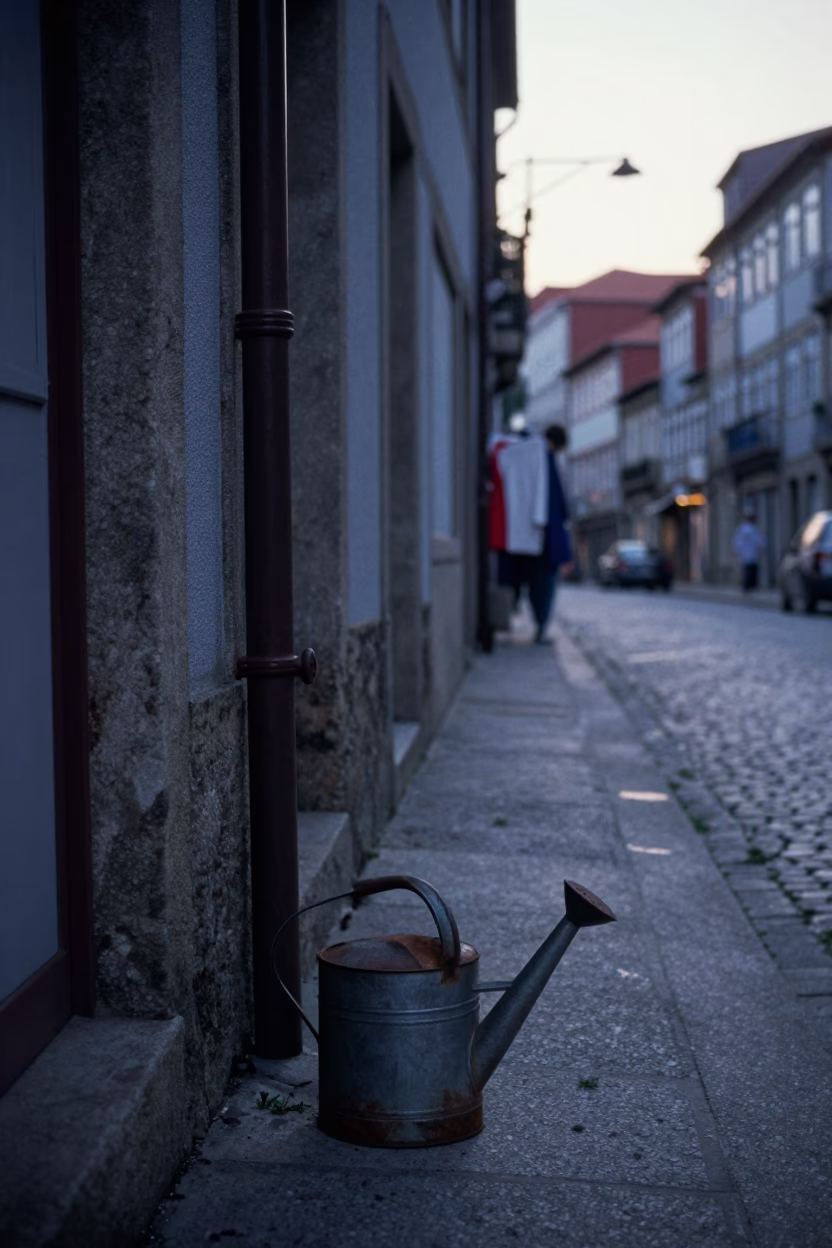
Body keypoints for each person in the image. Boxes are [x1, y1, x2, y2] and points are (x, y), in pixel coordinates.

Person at [528, 424, 572, 642]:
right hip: (547, 535)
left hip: (533, 533)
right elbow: (557, 502)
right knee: (546, 583)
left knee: (536, 582)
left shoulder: (536, 456)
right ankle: (541, 626)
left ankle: (540, 625)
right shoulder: (546, 460)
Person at [732, 510, 765, 591]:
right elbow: (761, 541)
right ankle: (750, 585)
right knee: (751, 570)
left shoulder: (742, 529)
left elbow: (737, 542)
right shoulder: (753, 529)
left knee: (747, 569)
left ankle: (747, 585)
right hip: (752, 553)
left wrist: (737, 551)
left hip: (746, 553)